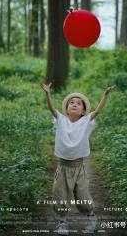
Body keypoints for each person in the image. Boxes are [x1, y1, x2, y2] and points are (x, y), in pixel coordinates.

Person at [40, 83, 115, 235]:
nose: (74, 104)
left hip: (78, 167)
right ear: (67, 109)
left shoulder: (85, 121)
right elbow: (52, 109)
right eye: (71, 103)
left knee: (82, 195)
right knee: (59, 193)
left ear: (83, 111)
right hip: (62, 167)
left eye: (79, 103)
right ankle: (62, 223)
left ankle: (91, 217)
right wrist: (48, 93)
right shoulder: (61, 120)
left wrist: (105, 96)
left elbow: (97, 112)